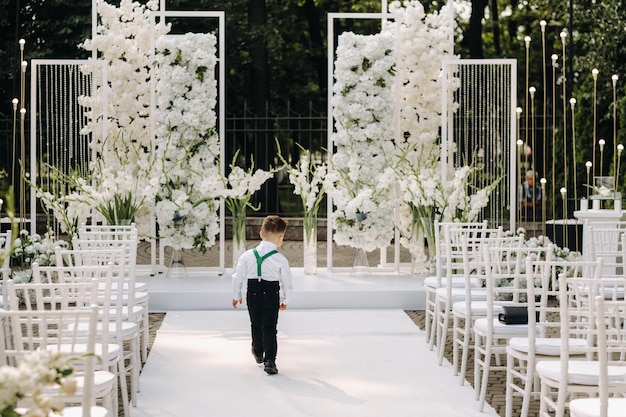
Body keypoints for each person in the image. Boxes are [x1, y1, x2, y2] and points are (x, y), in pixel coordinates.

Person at [232, 215, 293, 375]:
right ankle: (270, 361)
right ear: (280, 239)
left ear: (260, 234)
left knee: (255, 323)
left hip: (253, 292)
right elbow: (287, 281)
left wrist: (236, 294)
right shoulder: (280, 259)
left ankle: (258, 351)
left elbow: (237, 276)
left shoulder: (247, 256)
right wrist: (286, 298)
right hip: (272, 293)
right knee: (270, 327)